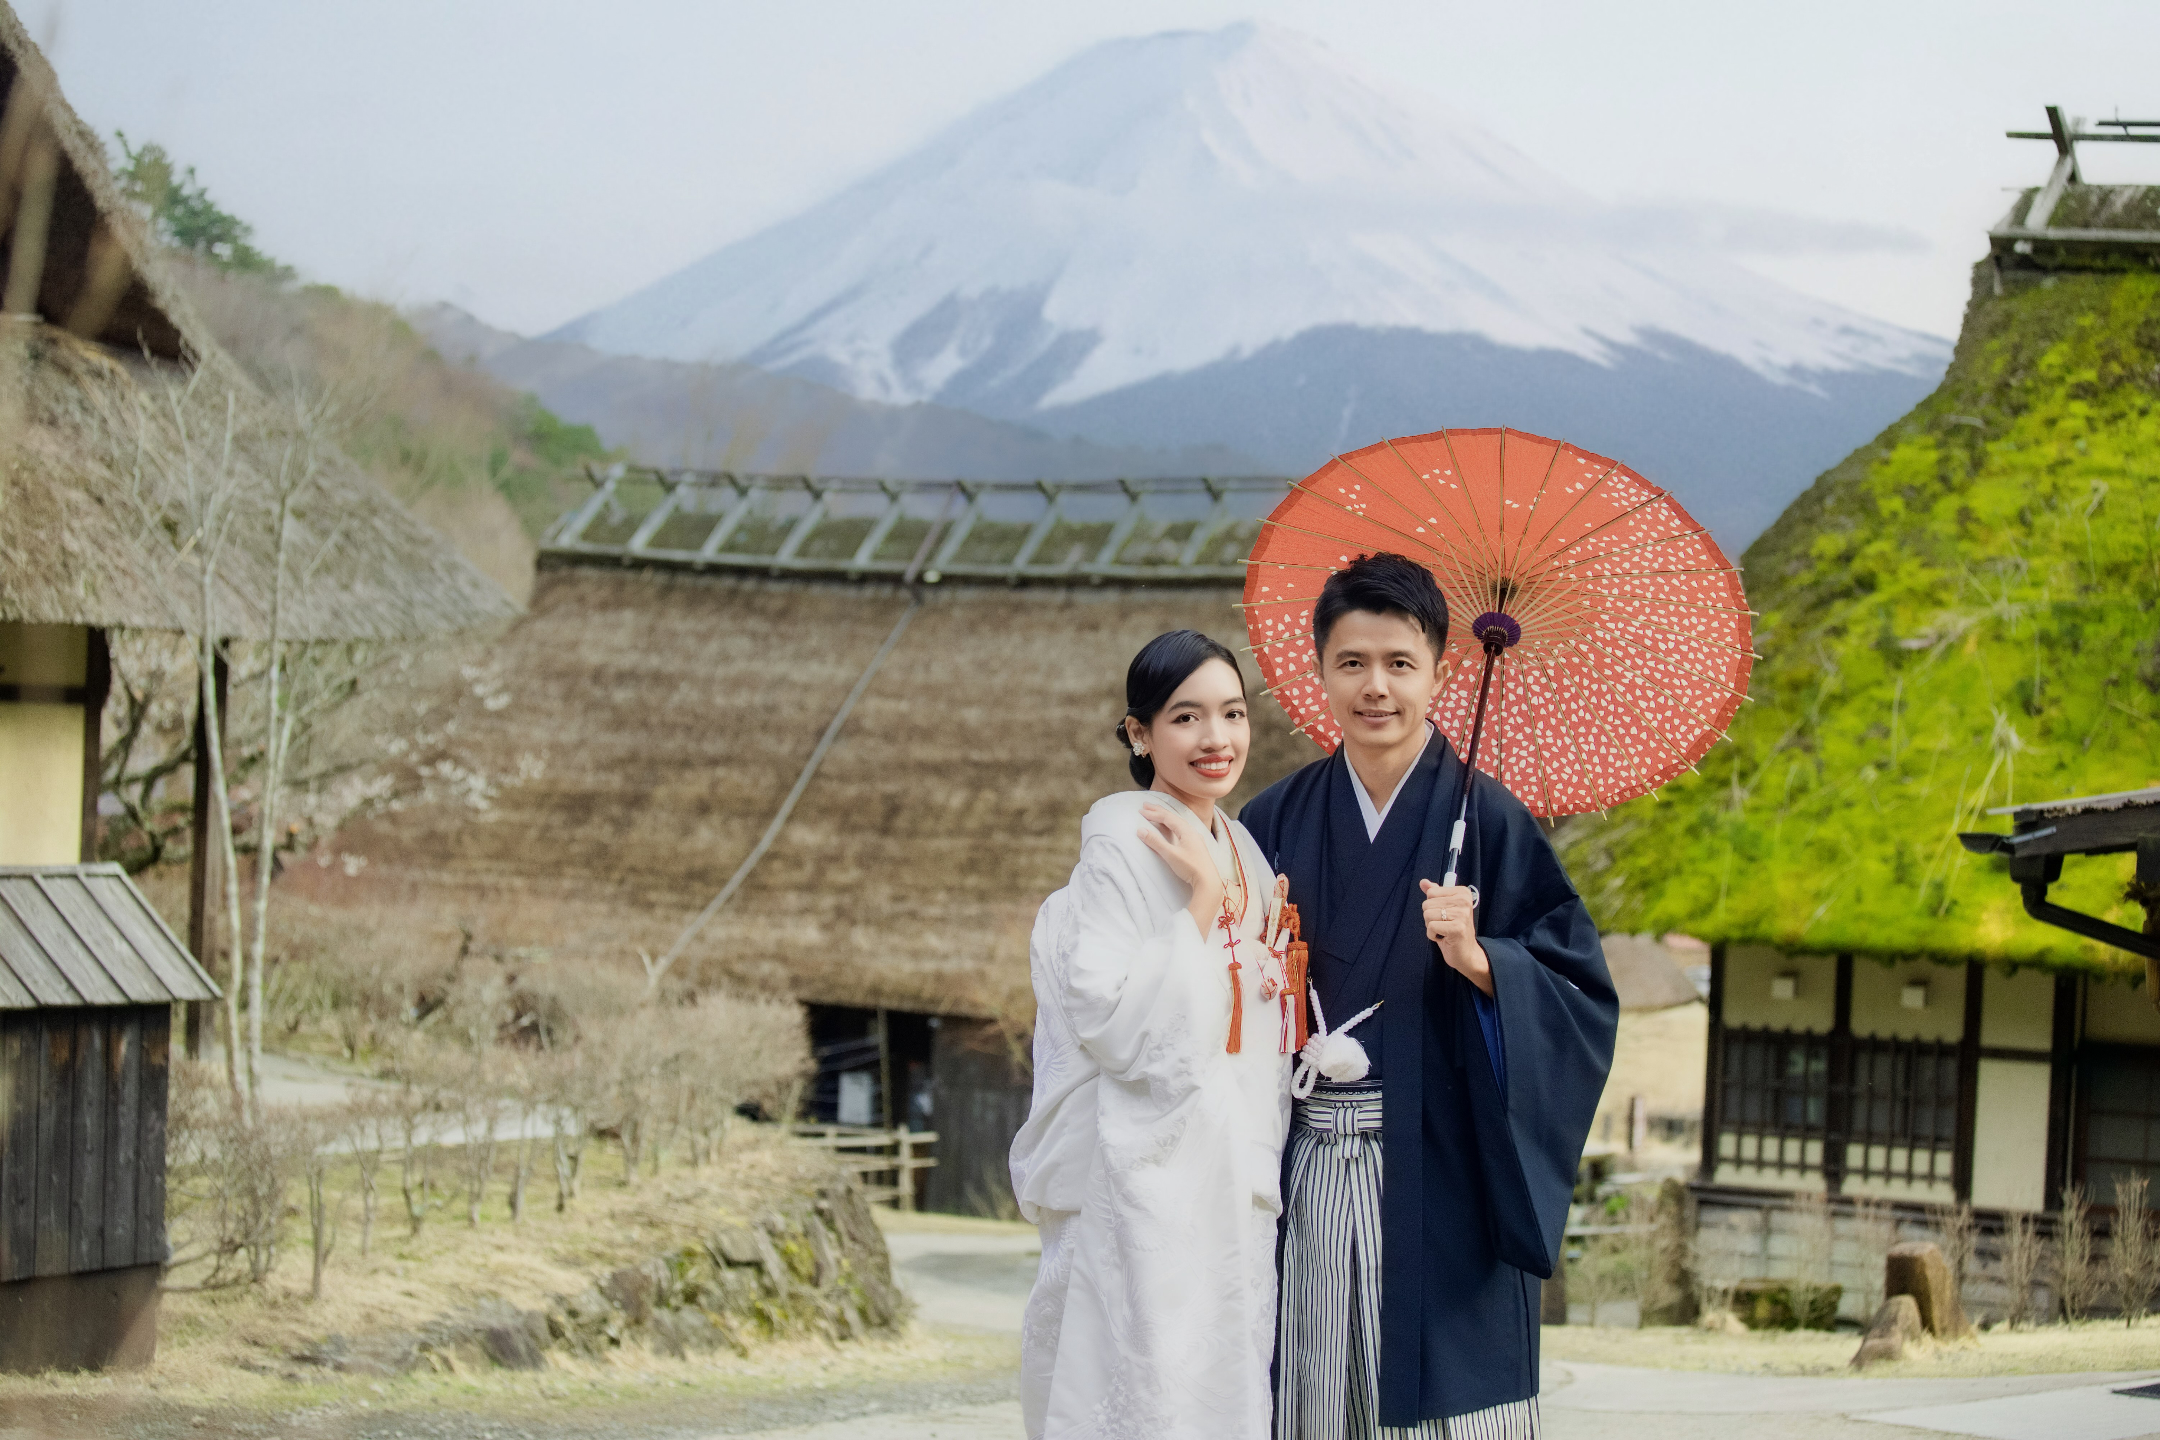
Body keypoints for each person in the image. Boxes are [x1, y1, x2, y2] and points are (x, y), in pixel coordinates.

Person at [1240, 554, 1618, 1439]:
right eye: (1353, 663)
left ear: (1442, 673)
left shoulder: (1490, 820)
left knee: (1444, 1413)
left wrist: (1486, 961)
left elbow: (1581, 991)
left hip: (1444, 1170)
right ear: (1321, 671)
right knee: (1310, 1395)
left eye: (1401, 665)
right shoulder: (1271, 822)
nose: (1377, 687)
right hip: (1303, 1169)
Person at [1009, 629, 1295, 1440]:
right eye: (1186, 718)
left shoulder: (1237, 842)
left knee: (1220, 1373)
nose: (1217, 739)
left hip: (1228, 1158)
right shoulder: (1121, 843)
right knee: (1146, 1374)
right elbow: (1107, 1020)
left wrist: (1258, 961)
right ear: (1139, 734)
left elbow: (1247, 1011)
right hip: (1145, 1166)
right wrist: (1203, 906)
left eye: (1233, 714)